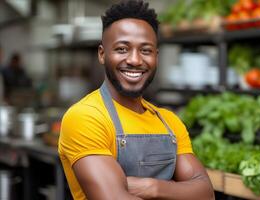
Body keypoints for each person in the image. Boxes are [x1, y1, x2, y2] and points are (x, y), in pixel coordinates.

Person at [58, 1, 215, 200]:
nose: (135, 60)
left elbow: (206, 193)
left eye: (146, 50)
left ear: (156, 57)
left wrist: (151, 187)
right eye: (122, 49)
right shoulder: (86, 117)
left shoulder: (169, 122)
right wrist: (177, 190)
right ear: (102, 54)